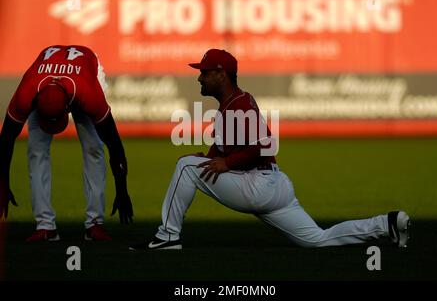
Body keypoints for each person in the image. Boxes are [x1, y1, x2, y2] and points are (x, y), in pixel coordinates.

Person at [129, 48, 410, 251]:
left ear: (221, 74)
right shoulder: (232, 103)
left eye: (204, 72)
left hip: (257, 184)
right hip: (274, 185)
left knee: (184, 167)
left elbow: (264, 145)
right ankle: (385, 224)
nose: (199, 77)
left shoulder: (238, 104)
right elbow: (225, 145)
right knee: (316, 239)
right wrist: (212, 158)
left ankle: (167, 236)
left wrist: (225, 164)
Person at [0, 45, 133, 242]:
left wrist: (122, 190)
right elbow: (6, 141)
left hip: (86, 71)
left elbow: (114, 143)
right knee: (36, 150)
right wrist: (3, 183)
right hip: (48, 79)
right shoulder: (27, 92)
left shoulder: (89, 93)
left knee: (94, 147)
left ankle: (94, 224)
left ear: (68, 108)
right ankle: (45, 226)